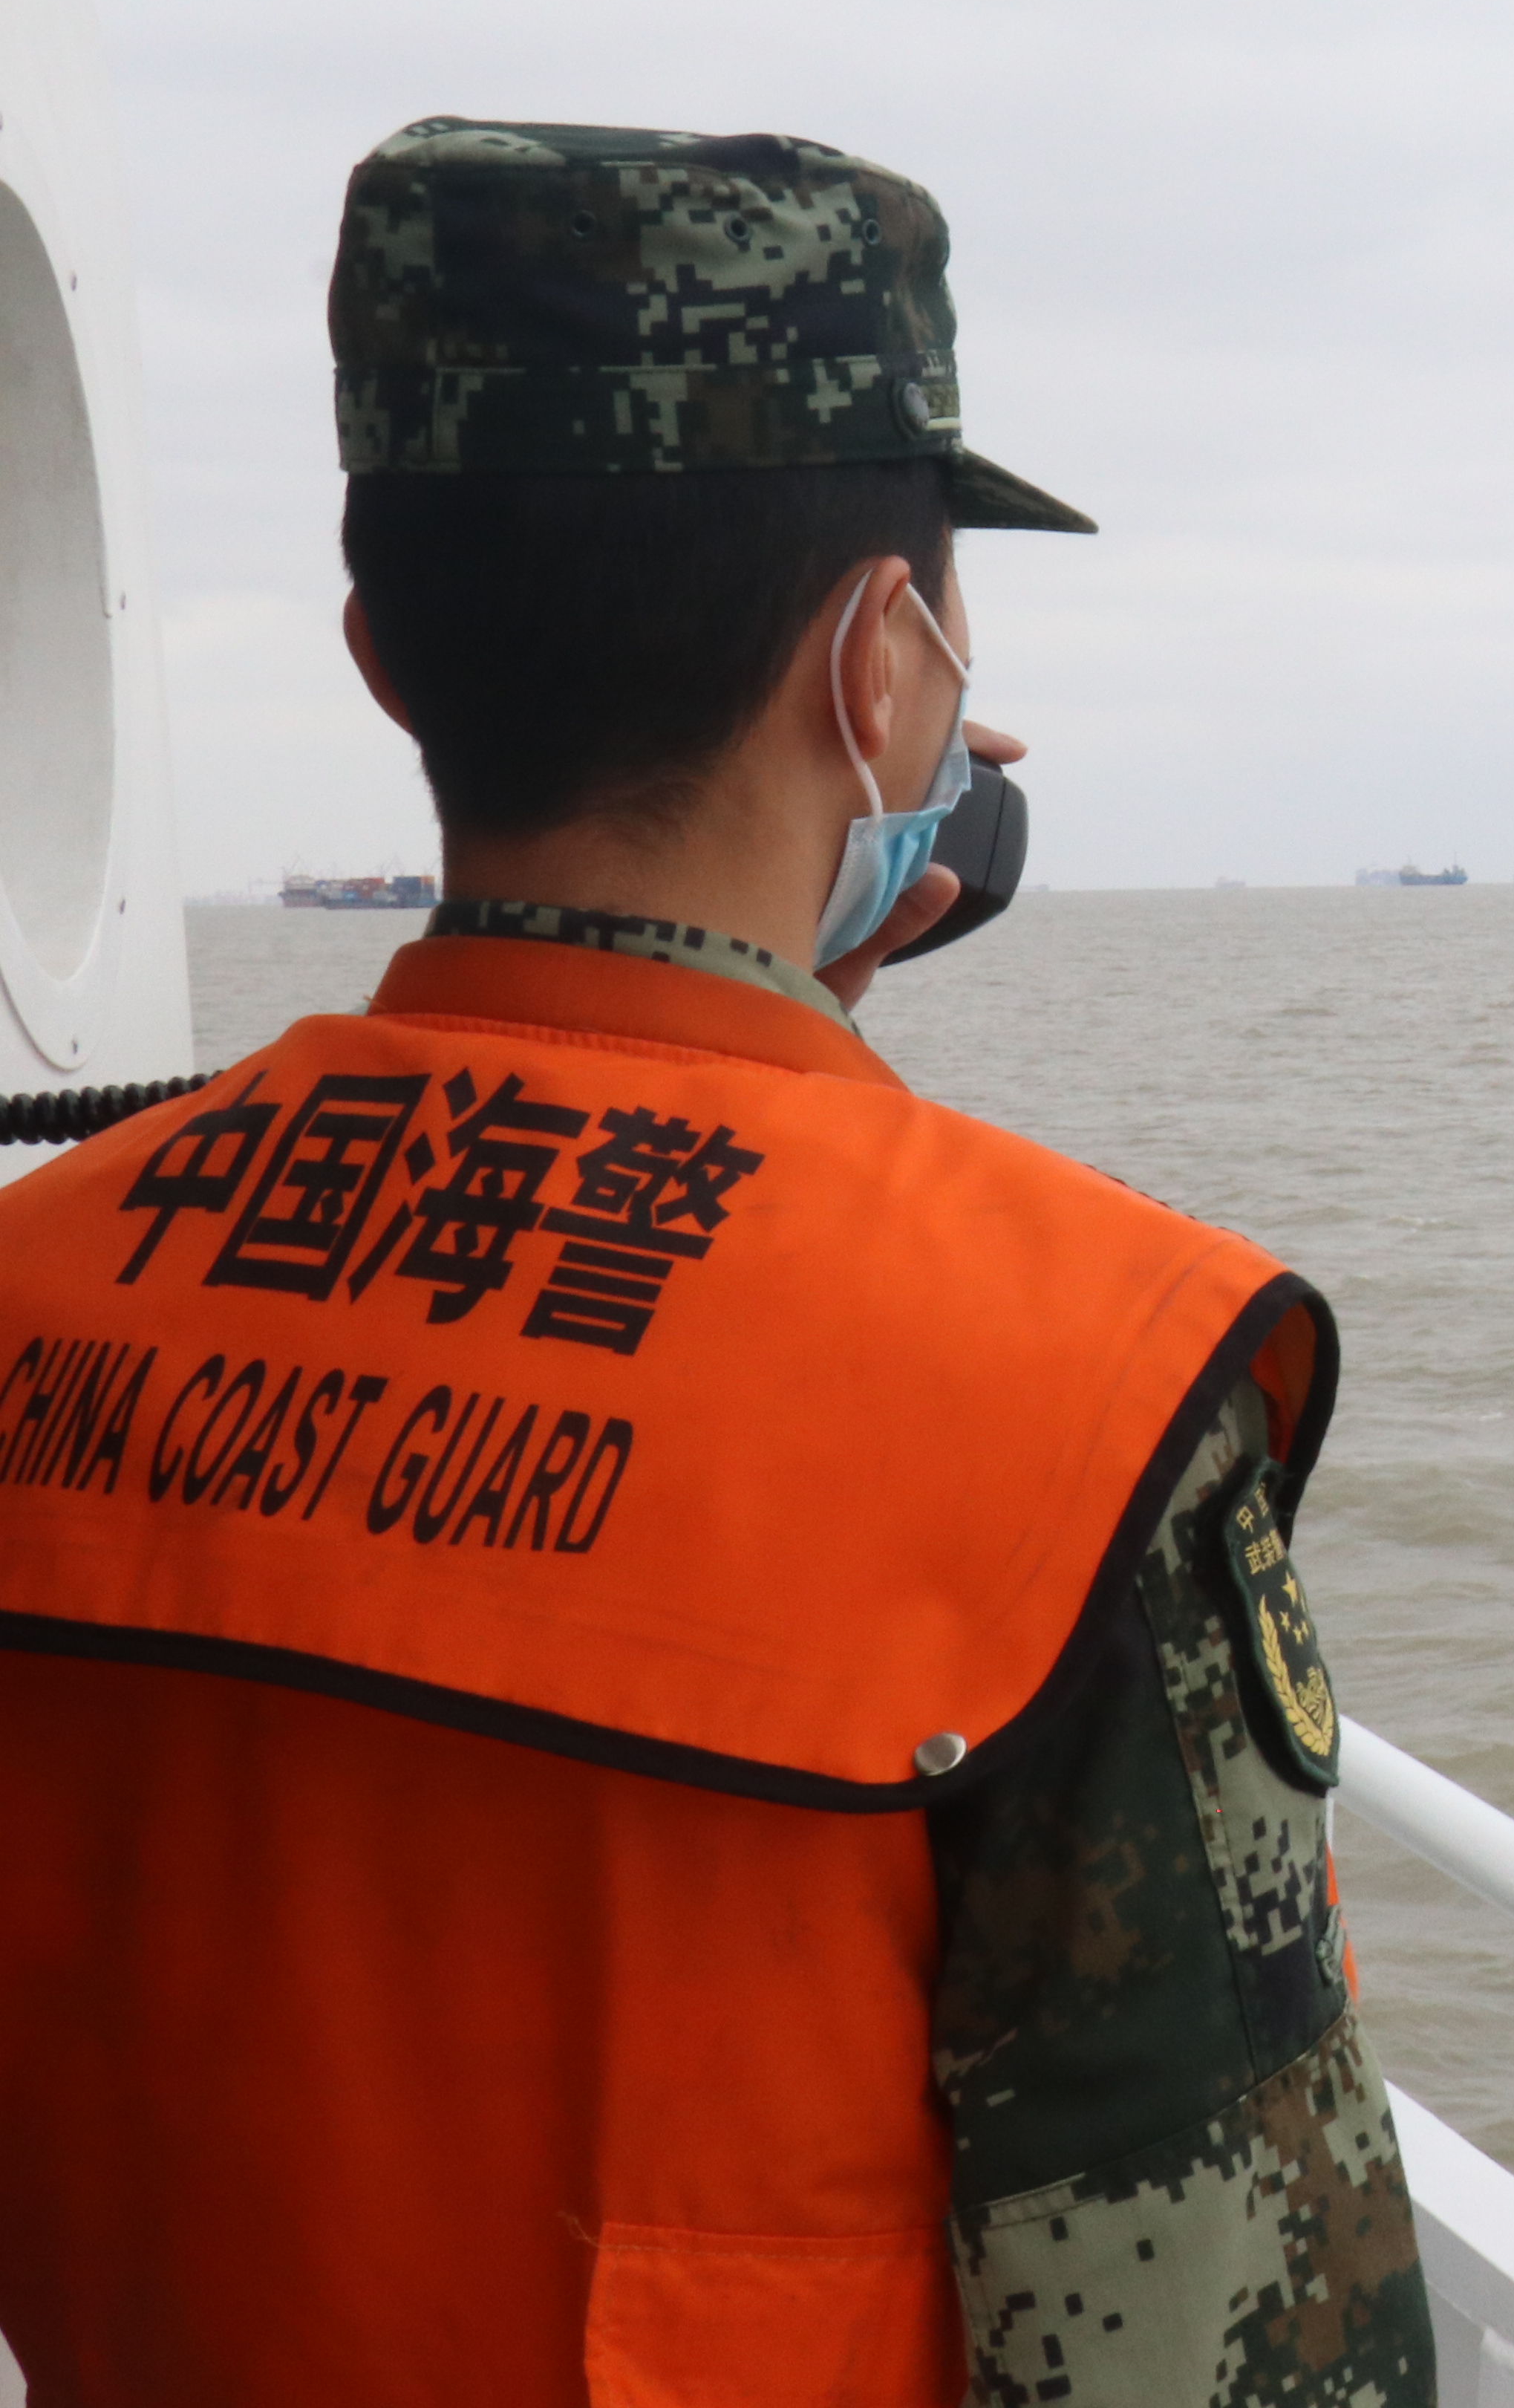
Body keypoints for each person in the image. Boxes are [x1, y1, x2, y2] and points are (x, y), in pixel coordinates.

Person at [0, 121, 1435, 2407]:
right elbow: (1239, 2348)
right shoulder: (1073, 1387)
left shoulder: (38, 1288)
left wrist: (770, 1041)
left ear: (385, 660)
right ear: (887, 671)